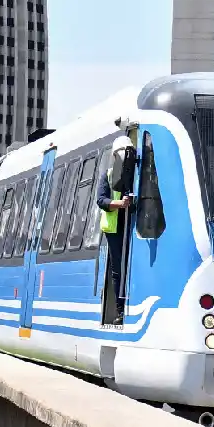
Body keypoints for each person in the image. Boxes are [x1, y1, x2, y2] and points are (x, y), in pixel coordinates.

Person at [96, 131, 135, 324]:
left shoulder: (137, 175)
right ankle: (120, 310)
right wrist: (119, 204)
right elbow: (101, 200)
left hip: (133, 227)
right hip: (114, 228)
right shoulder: (108, 176)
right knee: (118, 269)